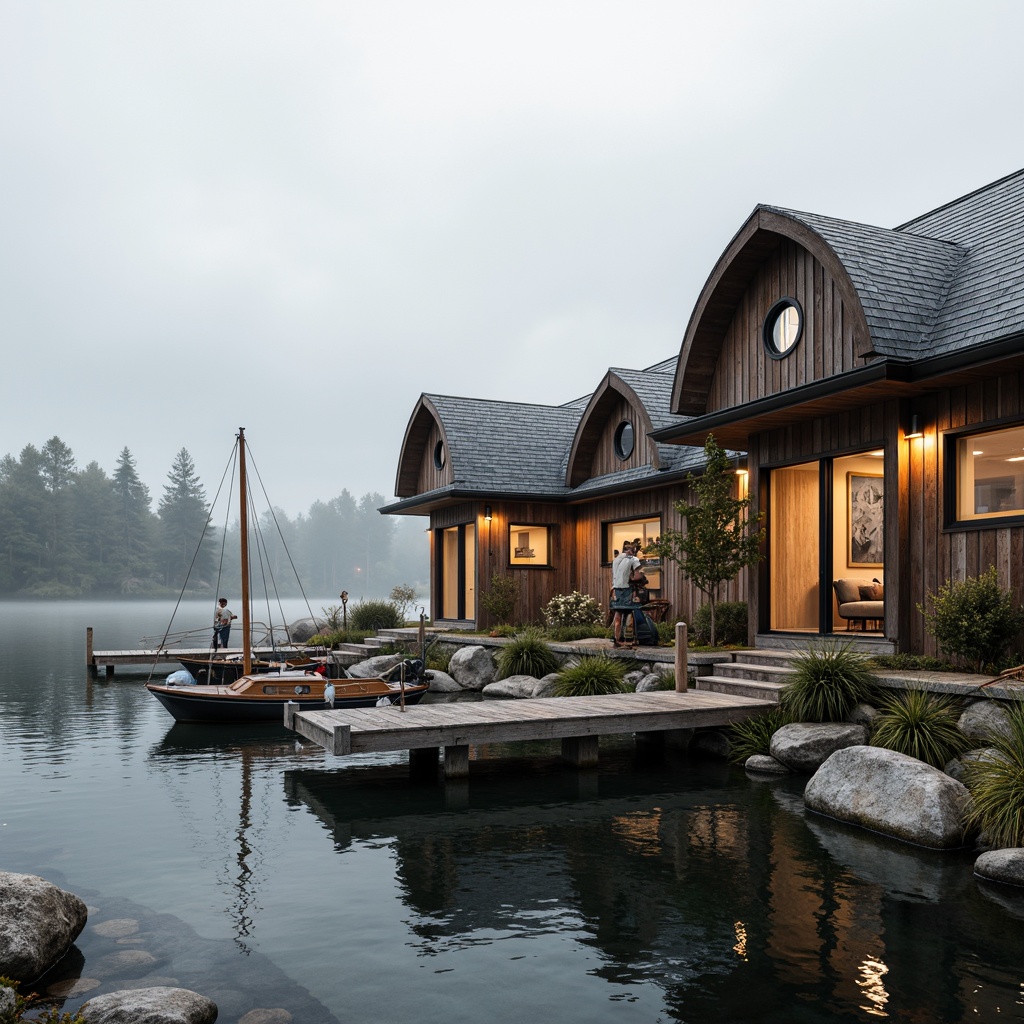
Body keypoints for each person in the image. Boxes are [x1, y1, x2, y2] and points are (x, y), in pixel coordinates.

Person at [610, 542, 642, 648]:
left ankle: (617, 638)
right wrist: (634, 576)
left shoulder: (616, 560)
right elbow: (637, 577)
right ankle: (632, 638)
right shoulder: (633, 559)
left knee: (618, 616)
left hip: (616, 590)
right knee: (632, 614)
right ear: (632, 551)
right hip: (628, 590)